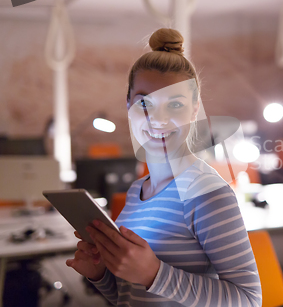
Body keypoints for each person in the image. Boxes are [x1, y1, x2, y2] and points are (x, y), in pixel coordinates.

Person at [66, 28, 262, 307]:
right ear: (128, 106)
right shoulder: (136, 192)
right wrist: (100, 275)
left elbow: (249, 300)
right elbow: (133, 297)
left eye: (175, 104)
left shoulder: (206, 193)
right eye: (144, 103)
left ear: (194, 109)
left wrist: (154, 274)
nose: (158, 119)